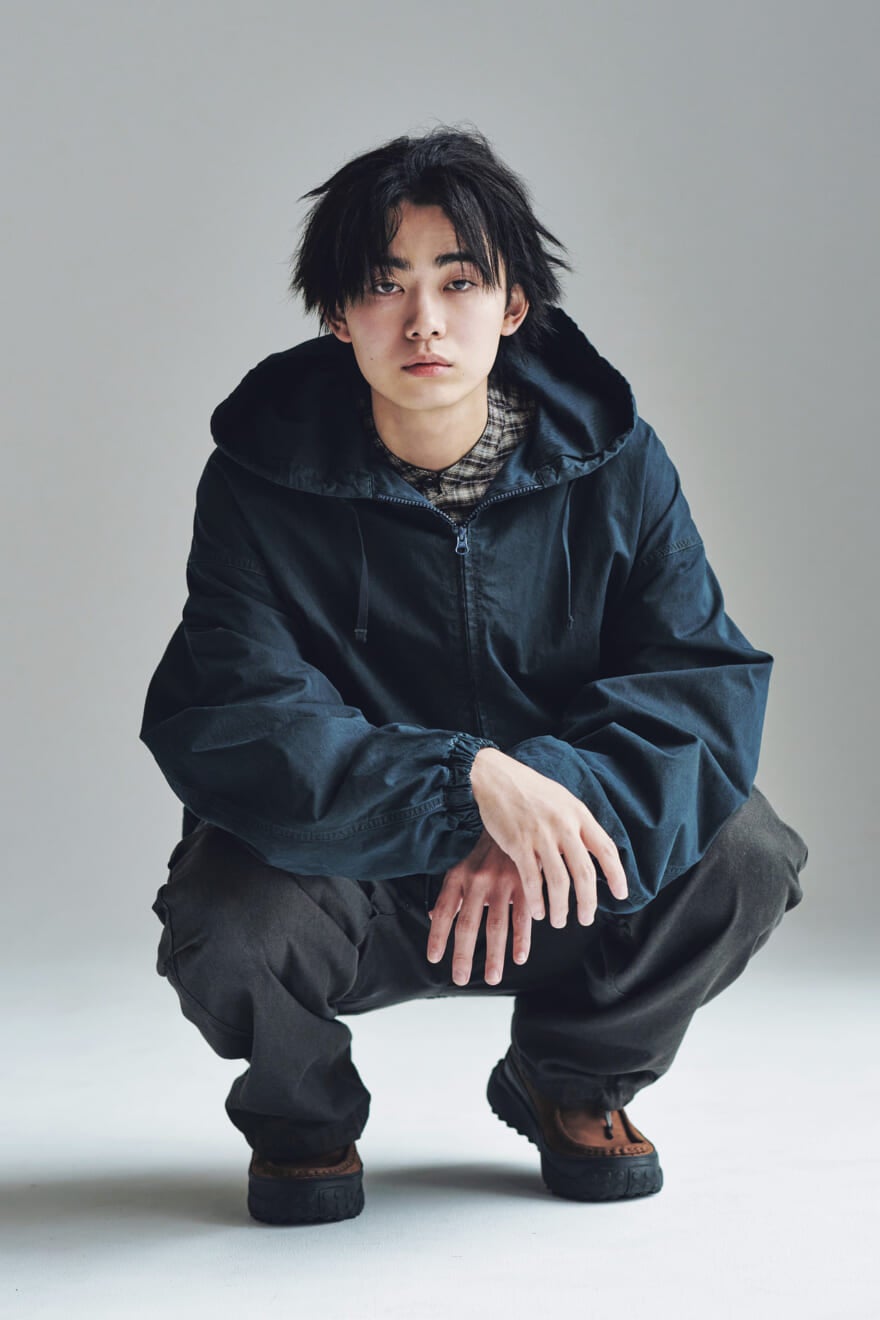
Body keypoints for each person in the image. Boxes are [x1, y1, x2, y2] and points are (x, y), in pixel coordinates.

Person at [139, 125, 809, 1226]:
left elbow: (697, 681)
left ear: (512, 306)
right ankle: (303, 1120)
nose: (423, 320)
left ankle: (571, 1079)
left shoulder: (617, 462)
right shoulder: (258, 478)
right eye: (384, 284)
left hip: (556, 870)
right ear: (337, 313)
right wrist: (463, 784)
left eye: (459, 282)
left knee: (746, 852)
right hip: (351, 870)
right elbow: (242, 711)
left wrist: (538, 796)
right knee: (229, 918)